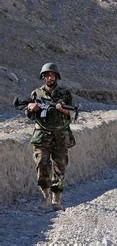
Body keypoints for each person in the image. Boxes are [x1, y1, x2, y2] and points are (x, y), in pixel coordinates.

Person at [26, 63, 76, 210]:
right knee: (41, 164)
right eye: (47, 75)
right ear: (43, 77)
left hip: (60, 135)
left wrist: (62, 110)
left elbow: (73, 115)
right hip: (42, 135)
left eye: (53, 75)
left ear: (57, 77)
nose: (50, 78)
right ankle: (45, 195)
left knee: (60, 167)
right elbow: (29, 115)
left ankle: (56, 198)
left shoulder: (65, 94)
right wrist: (31, 108)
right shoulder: (36, 93)